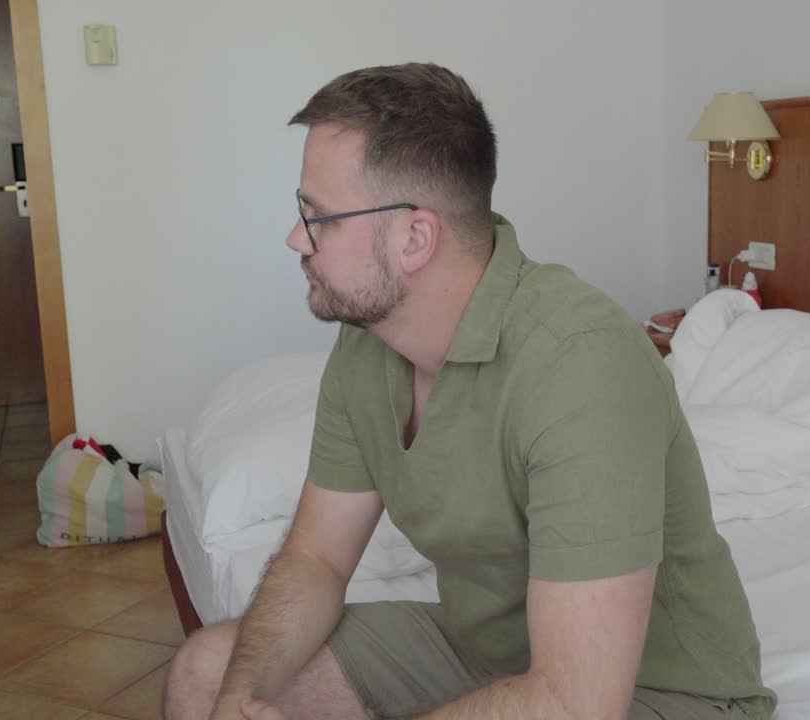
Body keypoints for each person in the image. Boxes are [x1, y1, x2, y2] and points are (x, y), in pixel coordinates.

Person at [164, 62, 775, 720]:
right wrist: (237, 700)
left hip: (649, 692)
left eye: (319, 219)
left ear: (414, 237)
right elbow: (316, 557)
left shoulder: (582, 366)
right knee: (207, 672)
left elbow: (575, 703)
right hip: (487, 653)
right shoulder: (368, 345)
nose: (296, 239)